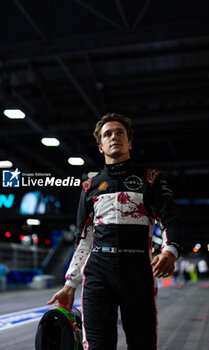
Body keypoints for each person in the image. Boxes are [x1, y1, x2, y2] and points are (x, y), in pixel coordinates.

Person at [47, 113, 182, 350]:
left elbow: (170, 220)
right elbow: (84, 239)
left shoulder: (151, 180)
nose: (113, 137)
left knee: (144, 345)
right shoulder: (90, 187)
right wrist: (70, 284)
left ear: (130, 142)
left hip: (138, 272)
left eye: (120, 132)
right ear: (100, 146)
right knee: (98, 346)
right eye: (107, 134)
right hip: (98, 274)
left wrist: (170, 250)